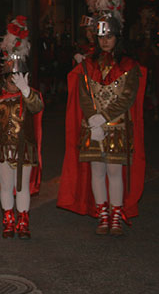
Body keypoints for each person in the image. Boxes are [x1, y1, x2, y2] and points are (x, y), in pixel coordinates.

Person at [58, 12, 146, 235]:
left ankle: (116, 214)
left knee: (115, 171)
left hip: (117, 127)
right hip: (93, 127)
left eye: (109, 36)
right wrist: (92, 119)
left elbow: (128, 96)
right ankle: (102, 214)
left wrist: (104, 117)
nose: (105, 41)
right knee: (97, 171)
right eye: (101, 36)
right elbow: (84, 94)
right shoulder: (88, 65)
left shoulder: (129, 65)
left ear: (118, 37)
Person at [0, 16, 43, 239]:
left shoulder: (30, 96)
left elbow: (37, 107)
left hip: (26, 149)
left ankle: (23, 220)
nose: (13, 82)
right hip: (3, 149)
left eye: (18, 78)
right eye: (10, 78)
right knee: (6, 186)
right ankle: (8, 219)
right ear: (3, 77)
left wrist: (26, 91)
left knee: (22, 186)